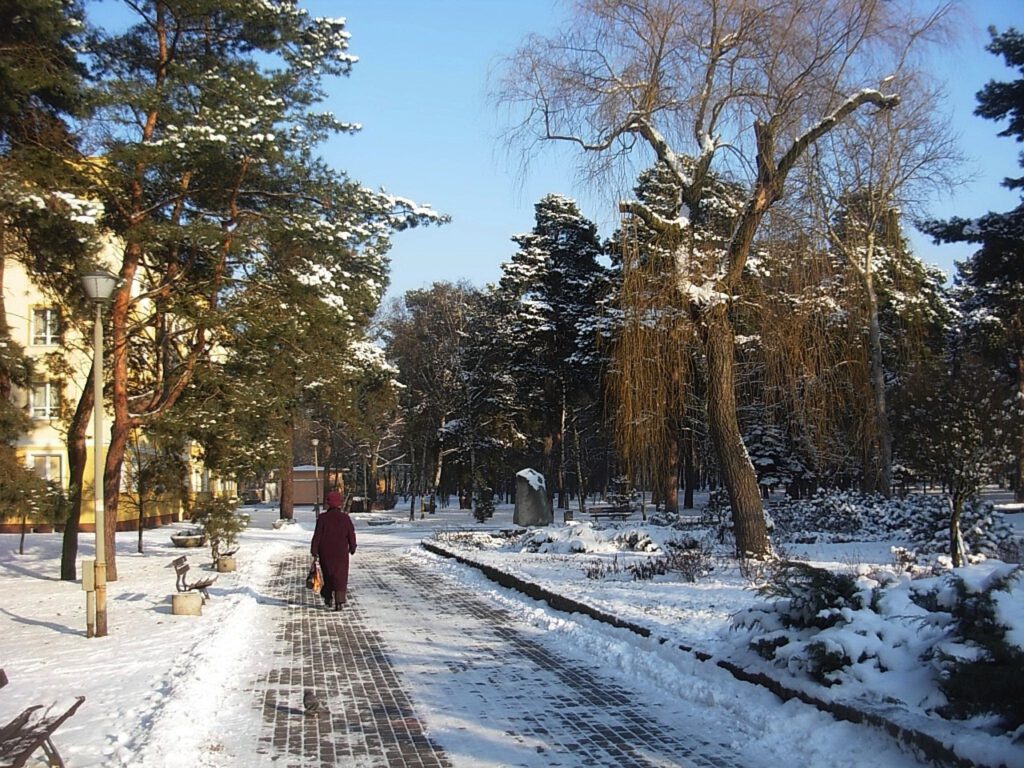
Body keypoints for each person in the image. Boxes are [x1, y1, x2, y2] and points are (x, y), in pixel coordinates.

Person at [310, 490, 357, 610]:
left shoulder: (322, 518)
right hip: (341, 553)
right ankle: (339, 601)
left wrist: (314, 551)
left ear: (328, 503)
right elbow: (351, 534)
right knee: (340, 576)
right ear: (340, 503)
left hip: (325, 552)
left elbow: (317, 536)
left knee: (328, 575)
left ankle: (327, 597)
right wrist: (352, 547)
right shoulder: (344, 518)